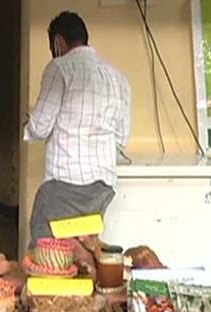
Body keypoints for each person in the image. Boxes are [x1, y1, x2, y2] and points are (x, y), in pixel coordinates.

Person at [23, 11, 131, 249]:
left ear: (58, 42)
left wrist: (28, 126)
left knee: (46, 248)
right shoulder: (118, 78)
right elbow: (121, 138)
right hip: (102, 188)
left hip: (65, 185)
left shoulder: (60, 68)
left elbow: (40, 127)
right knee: (84, 248)